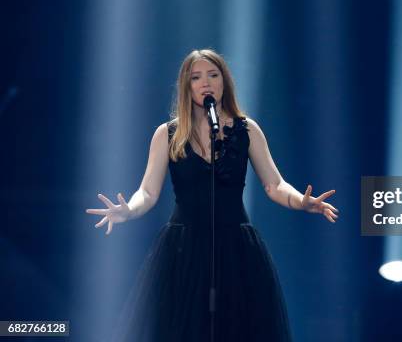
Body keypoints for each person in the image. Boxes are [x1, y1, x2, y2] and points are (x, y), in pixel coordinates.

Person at [85, 49, 338, 341]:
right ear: (186, 86)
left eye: (213, 75)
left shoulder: (247, 130)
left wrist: (301, 202)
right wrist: (128, 209)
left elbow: (274, 184)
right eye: (196, 77)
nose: (205, 82)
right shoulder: (167, 134)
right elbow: (148, 191)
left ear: (224, 82)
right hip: (184, 251)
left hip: (236, 249)